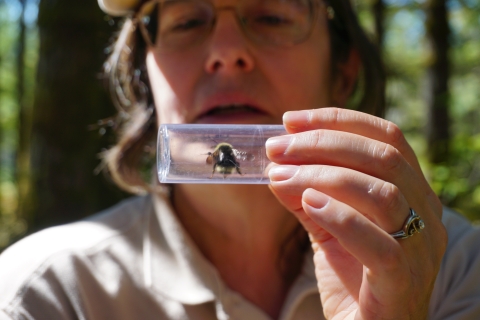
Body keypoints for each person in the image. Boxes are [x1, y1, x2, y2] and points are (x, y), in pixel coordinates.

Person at [1, 0, 479, 318]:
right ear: (144, 75)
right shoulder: (44, 293)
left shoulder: (455, 266)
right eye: (188, 21)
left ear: (342, 68)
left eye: (270, 15)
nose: (227, 53)